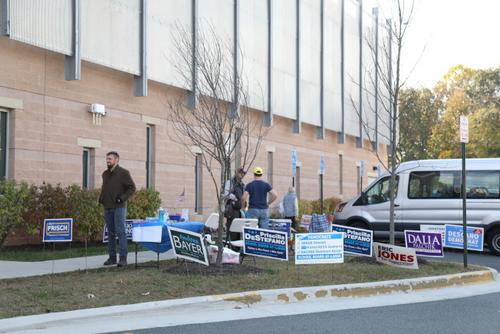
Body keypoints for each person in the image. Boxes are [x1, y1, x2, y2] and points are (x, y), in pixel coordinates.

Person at [99, 151, 136, 267]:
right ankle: (112, 258)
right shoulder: (105, 174)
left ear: (117, 160)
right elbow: (106, 188)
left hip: (119, 207)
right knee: (110, 233)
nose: (108, 161)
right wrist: (102, 199)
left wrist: (122, 198)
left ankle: (123, 259)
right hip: (107, 206)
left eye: (110, 159)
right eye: (107, 159)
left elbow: (132, 188)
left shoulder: (123, 173)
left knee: (120, 232)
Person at [224, 167, 246, 241]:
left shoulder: (243, 184)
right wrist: (235, 198)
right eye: (240, 173)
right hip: (232, 209)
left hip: (240, 209)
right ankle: (231, 245)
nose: (242, 175)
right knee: (231, 229)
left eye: (243, 173)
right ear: (236, 172)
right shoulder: (230, 182)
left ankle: (236, 247)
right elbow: (226, 194)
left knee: (239, 229)